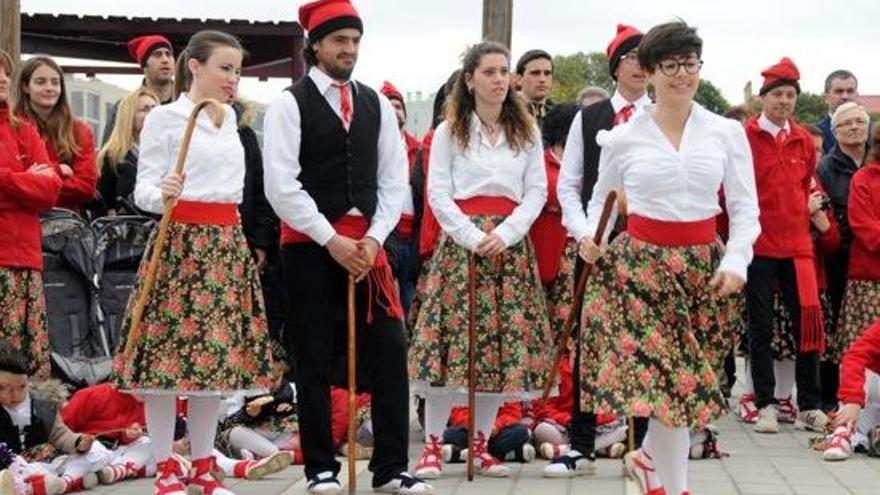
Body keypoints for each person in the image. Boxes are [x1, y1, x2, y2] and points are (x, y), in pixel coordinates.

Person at [577, 21, 759, 495]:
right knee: (672, 383)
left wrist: (736, 262)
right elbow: (600, 201)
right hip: (640, 270)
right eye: (671, 65)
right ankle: (673, 487)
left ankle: (650, 462)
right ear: (650, 72)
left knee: (680, 385)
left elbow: (744, 209)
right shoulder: (623, 137)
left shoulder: (725, 132)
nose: (683, 74)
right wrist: (587, 237)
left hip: (704, 271)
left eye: (691, 64)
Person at [263, 1, 431, 493]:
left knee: (390, 351)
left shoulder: (375, 103)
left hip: (369, 245)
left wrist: (375, 238)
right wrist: (331, 238)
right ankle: (319, 468)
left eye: (355, 41)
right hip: (310, 242)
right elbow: (280, 184)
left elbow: (393, 176)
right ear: (315, 44)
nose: (349, 50)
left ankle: (392, 467)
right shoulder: (288, 104)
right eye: (339, 41)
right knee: (312, 355)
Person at [112, 30, 275, 495]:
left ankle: (203, 467)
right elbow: (143, 191)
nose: (233, 78)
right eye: (225, 68)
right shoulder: (166, 119)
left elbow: (240, 194)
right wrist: (162, 193)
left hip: (225, 244)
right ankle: (166, 466)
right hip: (179, 244)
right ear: (194, 66)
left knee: (213, 368)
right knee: (164, 367)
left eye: (238, 71)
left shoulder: (236, 126)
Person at [408, 40, 551, 479]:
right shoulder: (451, 131)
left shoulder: (525, 130)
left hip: (508, 249)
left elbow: (537, 191)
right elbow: (437, 192)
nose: (499, 79)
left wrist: (507, 233)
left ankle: (479, 444)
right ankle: (433, 445)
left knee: (498, 352)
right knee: (450, 349)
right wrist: (471, 236)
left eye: (504, 71)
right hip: (462, 247)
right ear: (469, 80)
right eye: (489, 71)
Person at [552, 22, 652, 479]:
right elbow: (569, 183)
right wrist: (582, 234)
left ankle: (643, 444)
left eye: (645, 58)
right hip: (597, 242)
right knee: (589, 343)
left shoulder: (664, 113)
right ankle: (582, 443)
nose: (639, 66)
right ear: (616, 66)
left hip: (650, 244)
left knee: (646, 343)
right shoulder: (589, 117)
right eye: (630, 58)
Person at [744, 56, 829, 435]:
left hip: (797, 246)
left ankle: (809, 404)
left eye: (790, 94)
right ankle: (764, 403)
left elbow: (804, 187)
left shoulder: (802, 141)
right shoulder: (745, 136)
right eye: (777, 94)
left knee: (808, 325)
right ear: (763, 98)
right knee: (760, 326)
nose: (784, 101)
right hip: (759, 245)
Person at [0, 48, 61, 381]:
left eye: (6, 72)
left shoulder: (23, 128)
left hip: (27, 259)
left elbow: (50, 192)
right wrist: (25, 178)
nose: (2, 78)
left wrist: (7, 179)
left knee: (31, 358)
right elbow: (37, 185)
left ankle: (30, 427)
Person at [0, 345, 111, 494]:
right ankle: (70, 479)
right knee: (13, 472)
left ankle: (62, 482)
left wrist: (79, 442)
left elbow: (60, 435)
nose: (15, 395)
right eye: (4, 388)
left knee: (98, 451)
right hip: (9, 465)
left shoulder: (42, 403)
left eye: (21, 387)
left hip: (43, 462)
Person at [13, 56, 96, 217]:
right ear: (25, 87)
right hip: (21, 221)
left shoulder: (80, 131)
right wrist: (57, 170)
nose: (49, 88)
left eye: (55, 82)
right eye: (40, 82)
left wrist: (32, 180)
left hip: (65, 228)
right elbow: (8, 181)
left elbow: (86, 188)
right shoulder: (11, 128)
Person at [833, 126, 880, 384]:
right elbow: (864, 227)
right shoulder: (864, 178)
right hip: (870, 281)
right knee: (865, 354)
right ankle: (859, 411)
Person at [380, 80, 420, 316]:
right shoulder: (371, 148)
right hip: (386, 235)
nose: (394, 111)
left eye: (398, 106)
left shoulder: (419, 148)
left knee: (409, 297)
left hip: (412, 236)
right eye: (388, 106)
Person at [822, 318, 880, 461]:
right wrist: (853, 400)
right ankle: (843, 433)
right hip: (871, 398)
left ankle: (867, 437)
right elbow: (855, 357)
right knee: (861, 371)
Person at [96, 88, 160, 216]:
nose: (152, 113)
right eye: (145, 109)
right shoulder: (112, 155)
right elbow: (104, 200)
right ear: (129, 116)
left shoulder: (167, 152)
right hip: (130, 228)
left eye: (155, 108)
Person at [102, 35, 175, 144]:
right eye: (157, 55)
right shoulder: (125, 107)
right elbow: (111, 151)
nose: (165, 60)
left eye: (168, 54)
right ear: (144, 65)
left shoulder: (188, 102)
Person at [815, 70, 859, 155]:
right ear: (826, 98)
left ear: (857, 96)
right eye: (839, 91)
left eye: (850, 91)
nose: (845, 96)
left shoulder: (871, 133)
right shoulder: (814, 134)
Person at [515, 49, 554, 128]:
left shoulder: (558, 116)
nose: (542, 79)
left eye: (547, 73)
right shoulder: (505, 112)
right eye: (535, 73)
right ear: (519, 79)